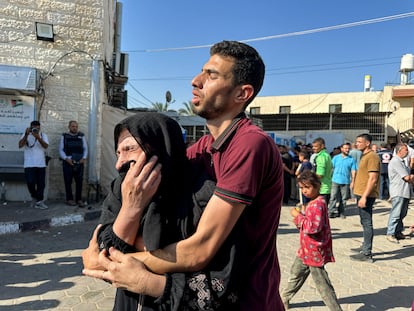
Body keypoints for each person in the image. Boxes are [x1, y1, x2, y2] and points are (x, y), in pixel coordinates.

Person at [83, 40, 285, 310]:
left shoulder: (250, 143)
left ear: (242, 93)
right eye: (201, 71)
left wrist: (116, 262)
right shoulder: (201, 149)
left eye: (211, 75)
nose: (195, 81)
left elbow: (199, 248)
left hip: (244, 296)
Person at [281, 171, 342, 311]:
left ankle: (335, 308)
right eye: (301, 188)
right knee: (295, 274)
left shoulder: (317, 205)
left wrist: (297, 216)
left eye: (307, 187)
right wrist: (303, 214)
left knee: (322, 284)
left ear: (317, 186)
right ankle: (284, 298)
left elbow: (313, 227)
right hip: (305, 250)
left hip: (313, 251)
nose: (304, 191)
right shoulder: (313, 203)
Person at [350, 133, 380, 262]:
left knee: (367, 223)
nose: (357, 144)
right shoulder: (364, 155)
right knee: (364, 221)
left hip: (366, 195)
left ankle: (367, 253)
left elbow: (373, 179)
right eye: (356, 141)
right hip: (361, 193)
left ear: (367, 143)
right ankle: (365, 245)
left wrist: (364, 197)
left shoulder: (372, 156)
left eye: (359, 142)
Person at [18, 120, 49, 209]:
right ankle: (34, 196)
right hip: (29, 163)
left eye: (37, 128)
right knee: (30, 182)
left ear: (39, 128)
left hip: (41, 164)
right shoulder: (26, 135)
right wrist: (26, 134)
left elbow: (46, 146)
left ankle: (39, 202)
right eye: (34, 128)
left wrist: (38, 137)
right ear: (31, 127)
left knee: (41, 184)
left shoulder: (43, 135)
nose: (35, 130)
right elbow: (20, 145)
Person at [386, 143, 413, 243]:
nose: (408, 152)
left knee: (402, 213)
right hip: (398, 191)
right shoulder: (395, 161)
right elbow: (406, 177)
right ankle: (390, 233)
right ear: (399, 150)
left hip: (405, 191)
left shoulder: (402, 162)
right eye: (406, 150)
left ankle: (398, 231)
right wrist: (412, 177)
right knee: (396, 213)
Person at [59, 120, 88, 206]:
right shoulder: (64, 136)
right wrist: (66, 159)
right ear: (69, 127)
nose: (75, 128)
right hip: (68, 162)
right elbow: (60, 149)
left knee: (79, 182)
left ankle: (79, 199)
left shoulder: (81, 136)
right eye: (73, 126)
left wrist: (84, 158)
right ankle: (69, 199)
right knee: (68, 181)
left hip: (79, 162)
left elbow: (85, 148)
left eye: (76, 126)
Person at [327, 143, 357, 219]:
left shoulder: (351, 159)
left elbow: (353, 171)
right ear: (341, 149)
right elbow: (330, 168)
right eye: (345, 148)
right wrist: (329, 178)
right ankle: (331, 212)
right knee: (333, 197)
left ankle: (341, 212)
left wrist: (353, 181)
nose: (347, 150)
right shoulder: (336, 158)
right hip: (335, 180)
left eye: (348, 148)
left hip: (346, 181)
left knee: (343, 199)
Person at [312, 137, 332, 204]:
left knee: (319, 211)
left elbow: (320, 174)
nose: (313, 148)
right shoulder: (327, 155)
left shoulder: (321, 157)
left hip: (321, 188)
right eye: (313, 146)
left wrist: (310, 179)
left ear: (322, 146)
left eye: (316, 146)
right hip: (327, 187)